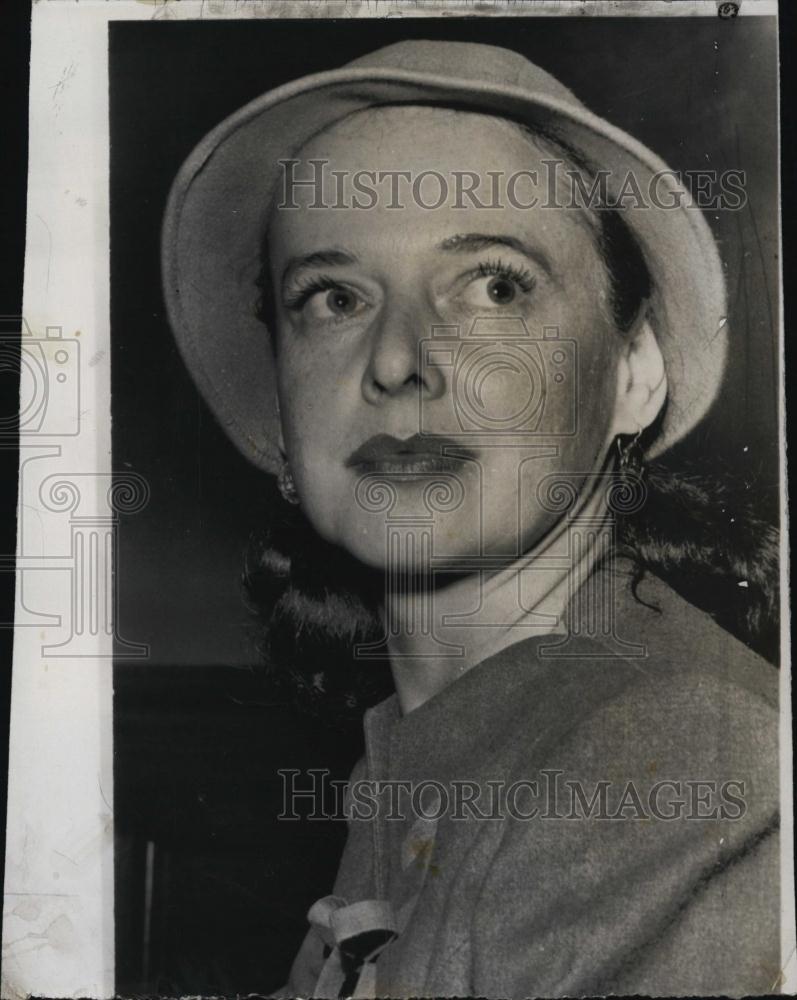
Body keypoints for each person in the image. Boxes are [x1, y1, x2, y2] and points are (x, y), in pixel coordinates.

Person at [162, 40, 780, 998]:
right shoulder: (431, 747)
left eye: (494, 286)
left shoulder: (673, 759)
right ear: (282, 418)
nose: (397, 361)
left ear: (631, 372)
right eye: (333, 298)